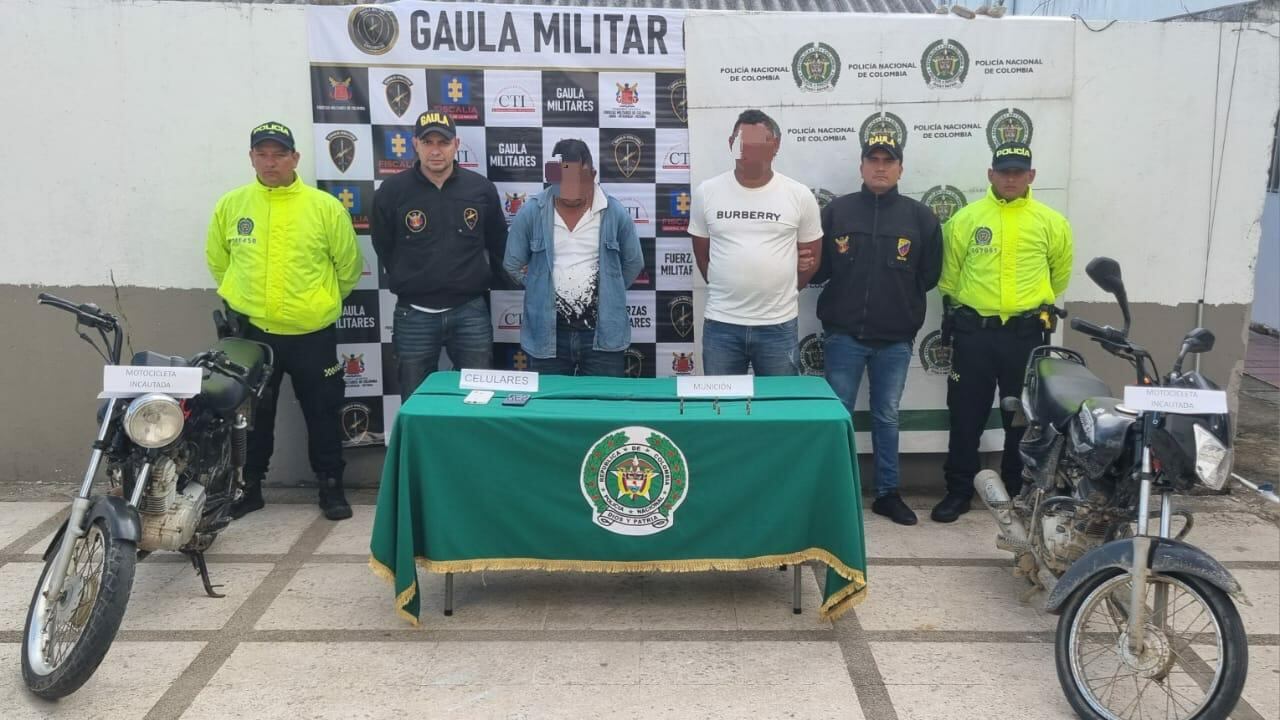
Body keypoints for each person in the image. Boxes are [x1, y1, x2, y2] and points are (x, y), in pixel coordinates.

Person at [206, 121, 362, 521]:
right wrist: (243, 299)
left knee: (323, 414)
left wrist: (319, 302)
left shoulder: (324, 207)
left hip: (313, 334)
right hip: (255, 336)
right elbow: (218, 261)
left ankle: (331, 488)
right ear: (252, 157)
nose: (270, 161)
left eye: (279, 153)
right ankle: (250, 487)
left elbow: (348, 267)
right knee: (251, 417)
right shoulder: (232, 205)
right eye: (262, 153)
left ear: (295, 157)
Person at [932, 141, 1073, 523]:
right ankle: (958, 491)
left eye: (1018, 172)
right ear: (990, 174)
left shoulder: (1051, 222)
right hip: (975, 334)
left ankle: (1018, 488)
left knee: (1024, 418)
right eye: (1004, 171)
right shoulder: (966, 219)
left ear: (1031, 176)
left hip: (1026, 336)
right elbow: (949, 277)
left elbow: (1059, 274)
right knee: (965, 415)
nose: (1011, 178)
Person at [810, 134, 943, 526]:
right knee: (838, 416)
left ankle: (887, 493)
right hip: (844, 335)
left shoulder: (920, 218)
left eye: (889, 160)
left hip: (895, 339)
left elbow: (929, 275)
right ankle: (835, 492)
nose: (880, 167)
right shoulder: (836, 213)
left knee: (887, 416)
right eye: (873, 160)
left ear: (900, 168)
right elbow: (820, 269)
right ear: (862, 167)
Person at [371, 111, 508, 400]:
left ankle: (473, 447)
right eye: (428, 141)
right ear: (415, 145)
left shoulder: (480, 188)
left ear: (456, 144)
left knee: (478, 398)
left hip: (470, 310)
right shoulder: (392, 191)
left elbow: (498, 243)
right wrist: (410, 279)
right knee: (415, 399)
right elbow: (383, 245)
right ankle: (421, 448)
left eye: (443, 142)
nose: (435, 150)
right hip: (414, 314)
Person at [688, 109, 822, 376]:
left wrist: (779, 290)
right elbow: (703, 257)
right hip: (722, 324)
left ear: (776, 145)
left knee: (778, 410)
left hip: (778, 325)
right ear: (731, 144)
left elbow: (811, 259)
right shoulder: (707, 192)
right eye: (742, 142)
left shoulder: (799, 195)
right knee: (721, 410)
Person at [502, 139, 643, 376]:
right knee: (551, 410)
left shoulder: (614, 213)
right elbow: (512, 264)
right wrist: (541, 287)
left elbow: (633, 263)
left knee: (602, 406)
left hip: (603, 334)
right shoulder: (531, 212)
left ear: (593, 173)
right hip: (548, 336)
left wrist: (608, 288)